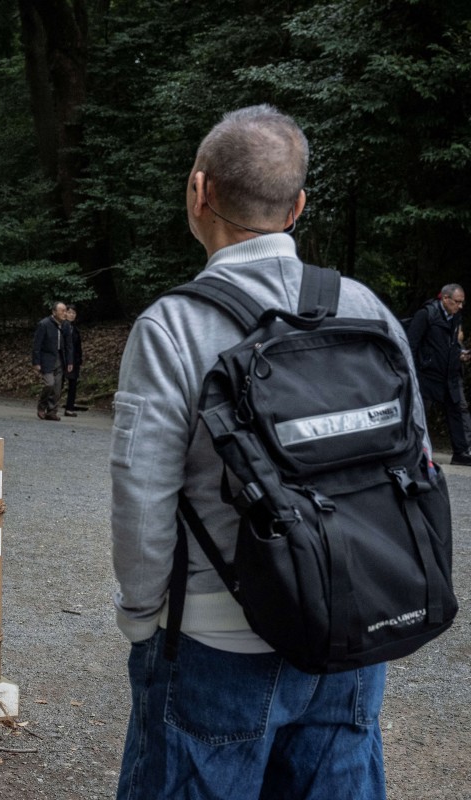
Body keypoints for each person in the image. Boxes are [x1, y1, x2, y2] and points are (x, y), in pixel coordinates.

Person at [109, 105, 423, 799]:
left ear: (199, 192)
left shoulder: (173, 327)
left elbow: (142, 492)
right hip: (352, 629)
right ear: (298, 206)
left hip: (213, 640)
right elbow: (415, 464)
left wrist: (142, 618)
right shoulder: (366, 308)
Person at [407, 284, 471, 465]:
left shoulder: (456, 316)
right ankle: (413, 451)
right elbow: (411, 345)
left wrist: (461, 353)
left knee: (457, 412)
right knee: (419, 414)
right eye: (457, 302)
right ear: (445, 299)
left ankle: (461, 453)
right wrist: (413, 372)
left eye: (462, 302)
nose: (460, 306)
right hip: (427, 374)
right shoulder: (426, 314)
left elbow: (452, 343)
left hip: (449, 373)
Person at [31, 302, 70, 420]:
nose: (64, 313)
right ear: (54, 312)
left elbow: (68, 345)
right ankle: (42, 406)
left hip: (60, 358)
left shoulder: (65, 325)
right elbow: (36, 344)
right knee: (50, 383)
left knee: (57, 387)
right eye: (62, 311)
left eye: (65, 311)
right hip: (46, 359)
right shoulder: (44, 324)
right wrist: (36, 363)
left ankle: (52, 411)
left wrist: (70, 361)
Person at [61, 303, 84, 416]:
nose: (71, 315)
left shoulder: (74, 329)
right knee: (58, 384)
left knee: (73, 384)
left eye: (73, 313)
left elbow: (77, 346)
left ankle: (69, 407)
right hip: (62, 359)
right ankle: (51, 406)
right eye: (69, 312)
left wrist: (79, 359)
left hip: (74, 360)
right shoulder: (61, 326)